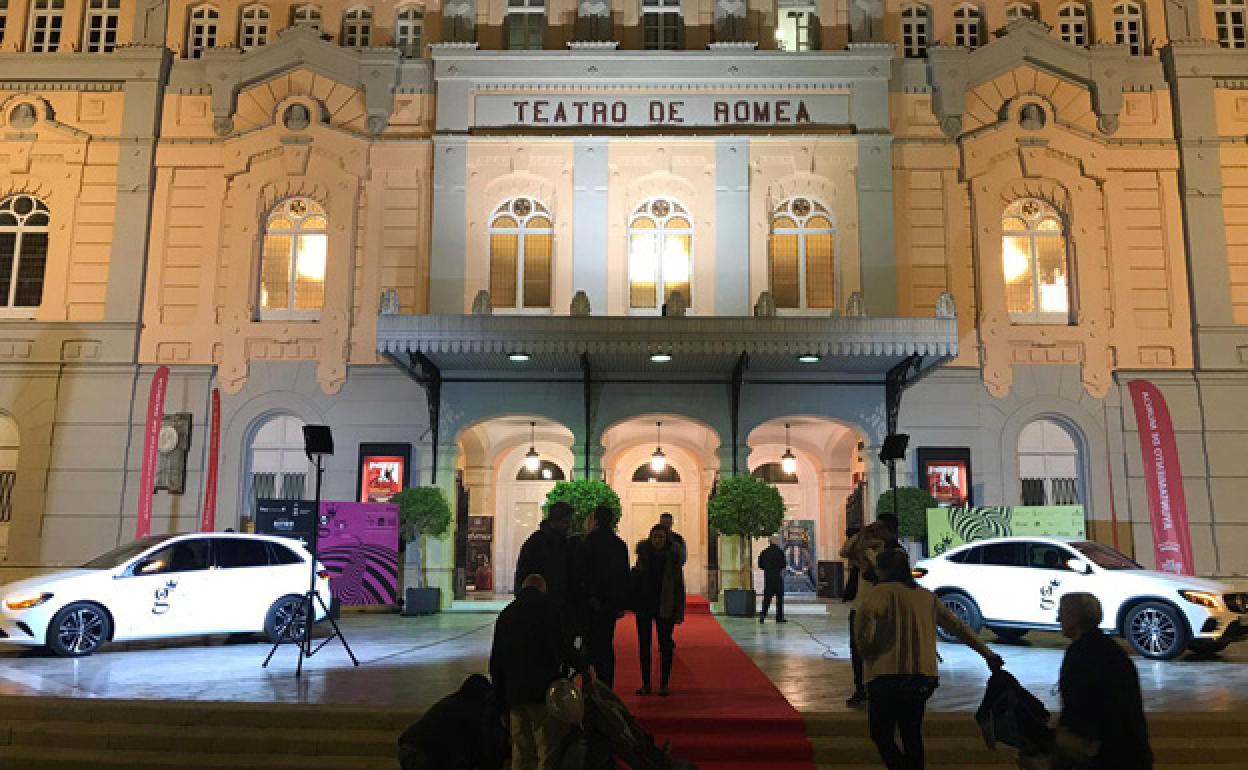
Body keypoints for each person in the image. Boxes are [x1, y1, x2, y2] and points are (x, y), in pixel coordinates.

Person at [855, 548, 1003, 770]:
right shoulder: (926, 596)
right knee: (912, 733)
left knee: (881, 734)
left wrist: (866, 648)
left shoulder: (881, 592)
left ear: (882, 570)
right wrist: (987, 654)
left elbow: (867, 615)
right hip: (922, 676)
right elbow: (958, 627)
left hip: (887, 674)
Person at [1050, 593, 1153, 770]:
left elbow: (1080, 708)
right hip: (1129, 750)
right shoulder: (1112, 651)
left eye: (1062, 613)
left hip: (1104, 753)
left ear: (1075, 618)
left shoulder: (1080, 654)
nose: (1058, 618)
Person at [489, 574, 582, 770]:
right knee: (546, 750)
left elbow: (496, 663)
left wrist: (500, 705)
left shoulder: (506, 614)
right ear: (543, 589)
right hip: (542, 693)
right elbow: (564, 646)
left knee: (521, 752)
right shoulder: (550, 611)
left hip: (515, 695)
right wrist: (584, 667)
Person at [839, 514, 900, 707]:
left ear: (889, 530)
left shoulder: (894, 552)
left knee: (879, 650)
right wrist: (861, 534)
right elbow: (845, 551)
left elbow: (880, 573)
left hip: (881, 608)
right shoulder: (866, 549)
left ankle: (877, 688)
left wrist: (873, 554)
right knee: (857, 649)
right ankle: (861, 688)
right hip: (860, 606)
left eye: (880, 528)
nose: (876, 531)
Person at [397, 673, 507, 770]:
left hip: (406, 745)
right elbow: (477, 749)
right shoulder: (471, 711)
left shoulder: (453, 701)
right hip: (423, 753)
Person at [575, 505, 630, 688]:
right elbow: (624, 576)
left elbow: (582, 573)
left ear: (596, 520)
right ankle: (607, 685)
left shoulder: (587, 542)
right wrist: (620, 603)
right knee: (606, 643)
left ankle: (588, 684)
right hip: (610, 603)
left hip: (590, 603)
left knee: (589, 644)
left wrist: (589, 596)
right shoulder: (619, 545)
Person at [632, 524, 686, 696]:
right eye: (654, 536)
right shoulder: (643, 555)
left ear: (666, 538)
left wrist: (678, 610)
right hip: (645, 606)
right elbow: (636, 581)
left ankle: (664, 683)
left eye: (660, 537)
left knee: (665, 646)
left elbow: (679, 586)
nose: (657, 540)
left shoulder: (673, 558)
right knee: (644, 646)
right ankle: (646, 683)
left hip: (665, 606)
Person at [514, 502, 575, 615]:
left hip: (549, 606)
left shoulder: (541, 541)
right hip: (541, 607)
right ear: (555, 521)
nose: (569, 526)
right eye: (565, 522)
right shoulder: (542, 543)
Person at [757, 535, 787, 624]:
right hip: (777, 577)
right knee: (779, 598)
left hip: (768, 578)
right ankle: (779, 617)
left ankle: (763, 615)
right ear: (776, 542)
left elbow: (760, 565)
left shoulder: (764, 552)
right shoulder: (780, 552)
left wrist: (768, 568)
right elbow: (783, 565)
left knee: (767, 598)